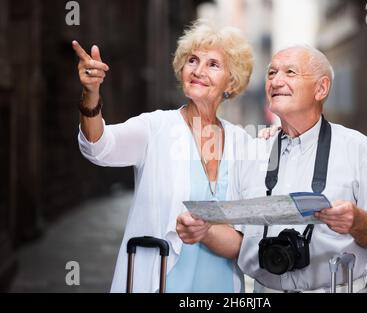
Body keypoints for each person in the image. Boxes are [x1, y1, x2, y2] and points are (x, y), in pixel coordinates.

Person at [177, 45, 367, 293]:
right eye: (271, 73)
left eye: (290, 72)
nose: (276, 80)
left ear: (321, 88)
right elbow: (238, 243)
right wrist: (205, 230)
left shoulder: (360, 151)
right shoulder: (253, 152)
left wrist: (356, 221)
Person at [73, 20, 254, 293]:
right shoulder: (155, 127)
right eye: (193, 60)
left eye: (213, 64)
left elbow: (247, 239)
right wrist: (91, 94)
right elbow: (98, 146)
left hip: (221, 285)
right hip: (160, 280)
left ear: (232, 81)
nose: (199, 70)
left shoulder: (242, 142)